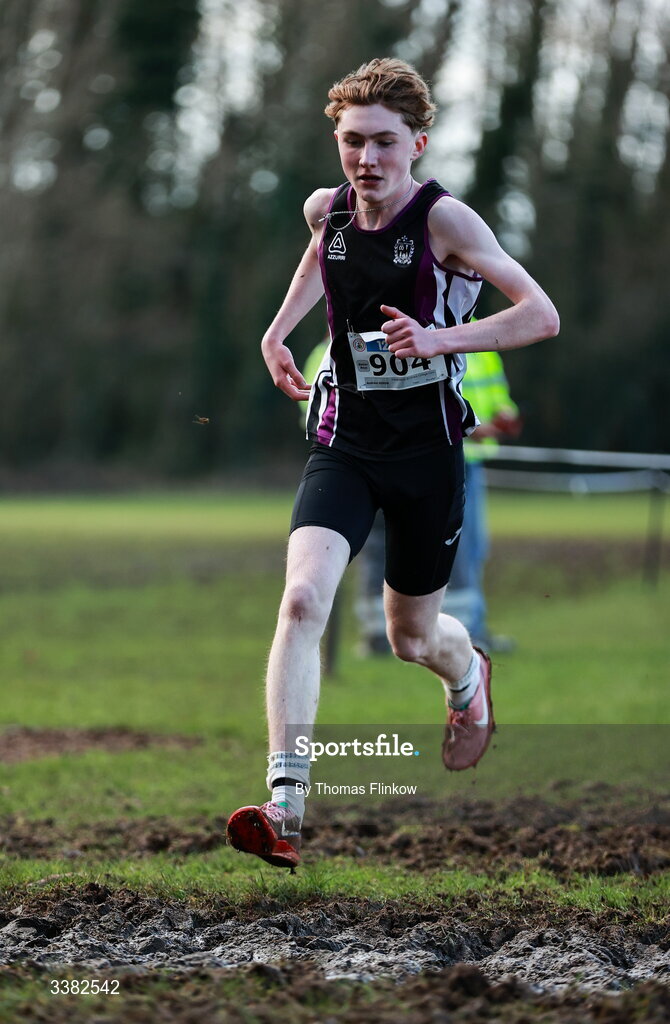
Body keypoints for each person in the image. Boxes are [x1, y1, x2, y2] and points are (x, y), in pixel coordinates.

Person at [226, 58, 559, 870]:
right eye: (351, 142)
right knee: (303, 601)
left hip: (429, 454)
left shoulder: (449, 225)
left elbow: (539, 314)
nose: (366, 160)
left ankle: (467, 677)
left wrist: (443, 337)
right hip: (345, 441)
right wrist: (276, 332)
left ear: (417, 141)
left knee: (413, 639)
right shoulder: (327, 211)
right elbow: (319, 256)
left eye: (382, 143)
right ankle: (286, 806)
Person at [357, 350, 522, 655]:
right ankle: (441, 632)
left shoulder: (483, 339)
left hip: (467, 461)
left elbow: (497, 396)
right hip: (432, 456)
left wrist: (505, 415)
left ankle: (466, 630)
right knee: (427, 547)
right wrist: (471, 426)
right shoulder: (426, 329)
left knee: (470, 548)